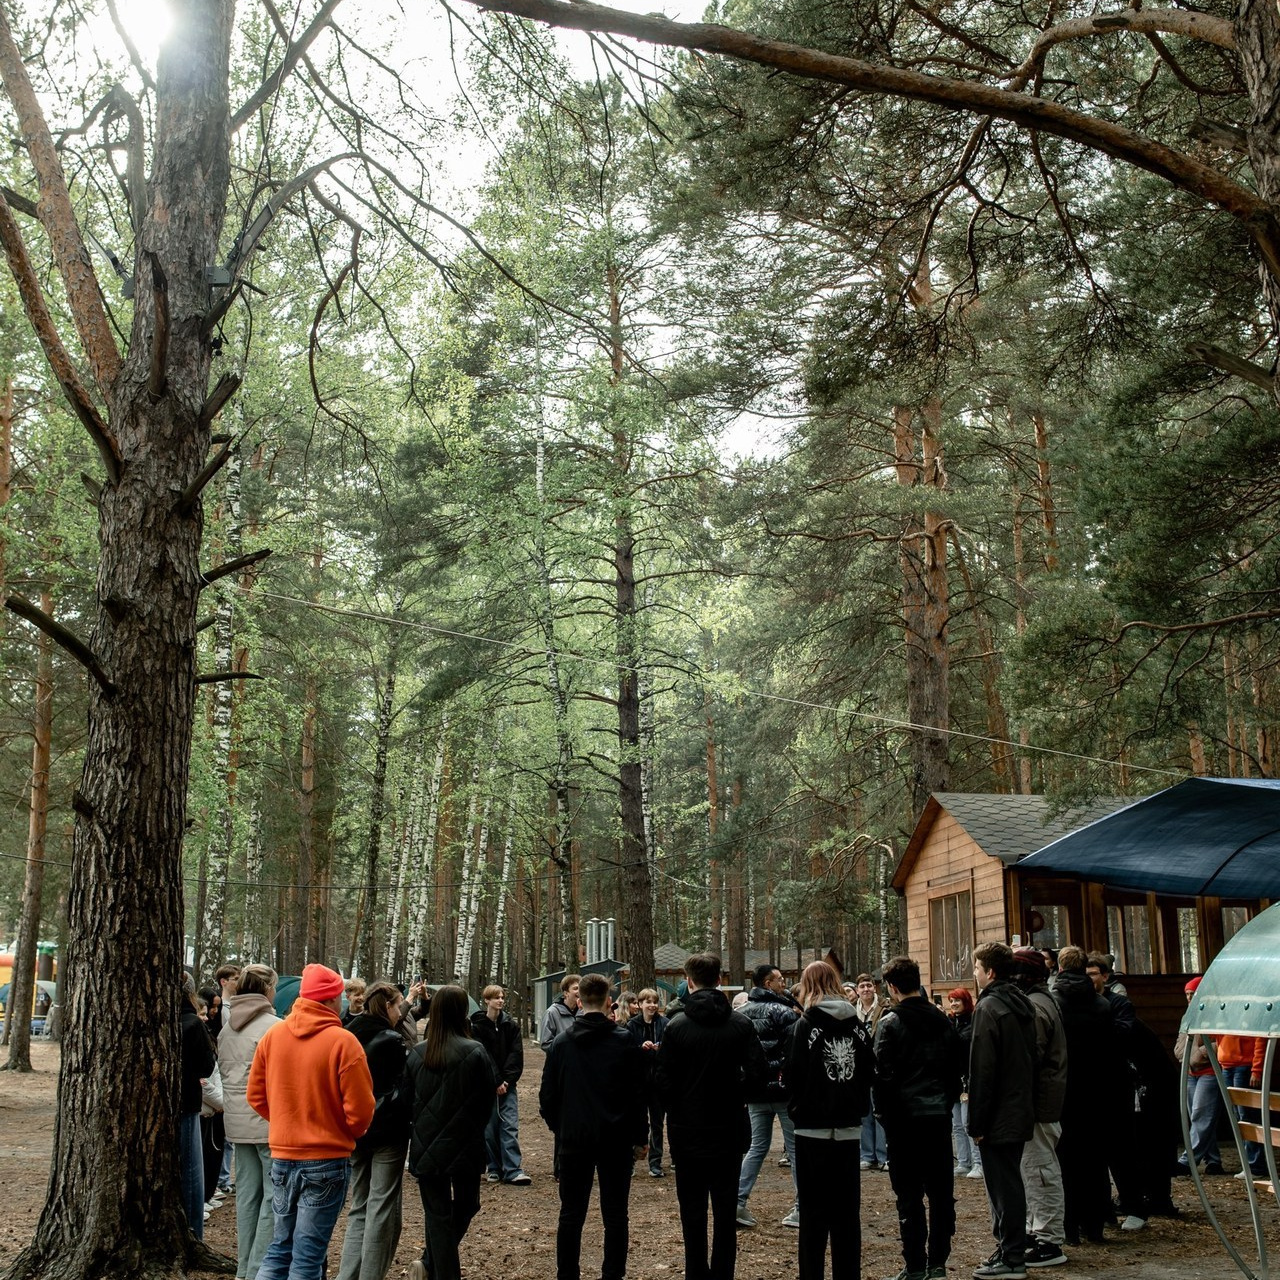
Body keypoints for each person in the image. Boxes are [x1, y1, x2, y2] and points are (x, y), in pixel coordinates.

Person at [248, 963, 376, 1280]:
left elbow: (256, 1096)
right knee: (307, 1257)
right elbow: (361, 1112)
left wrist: (286, 1123)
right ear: (333, 999)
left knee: (280, 1249)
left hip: (282, 1156)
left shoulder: (273, 1036)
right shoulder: (343, 1042)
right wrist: (337, 1130)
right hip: (326, 1158)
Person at [657, 952, 767, 1280]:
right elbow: (759, 1074)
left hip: (687, 1131)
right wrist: (737, 1094)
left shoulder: (676, 1027)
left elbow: (663, 1082)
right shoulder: (740, 1024)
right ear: (719, 980)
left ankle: (696, 1274)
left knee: (692, 1213)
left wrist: (680, 1104)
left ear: (689, 982)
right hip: (728, 1130)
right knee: (723, 1212)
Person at [541, 973, 648, 1280]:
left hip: (575, 1138)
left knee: (571, 1214)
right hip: (614, 1139)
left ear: (579, 1000)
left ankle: (568, 1275)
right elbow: (637, 1094)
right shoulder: (625, 1041)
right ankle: (613, 1274)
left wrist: (561, 1129)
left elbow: (548, 1096)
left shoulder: (562, 1044)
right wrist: (640, 1136)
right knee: (615, 1214)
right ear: (607, 1001)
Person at [874, 955, 962, 1280]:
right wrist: (947, 1102)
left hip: (903, 1123)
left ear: (893, 987)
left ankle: (915, 1265)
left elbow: (881, 1075)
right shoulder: (944, 1021)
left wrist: (884, 1115)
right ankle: (938, 1260)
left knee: (909, 1196)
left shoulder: (890, 1024)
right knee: (941, 1192)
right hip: (937, 1118)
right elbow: (955, 1071)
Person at [787, 960, 872, 1280]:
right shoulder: (857, 1026)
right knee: (847, 1214)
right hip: (848, 1127)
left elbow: (794, 1073)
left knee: (813, 1215)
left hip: (812, 1129)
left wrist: (799, 1110)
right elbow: (868, 1069)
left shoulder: (804, 1026)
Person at [405, 984, 497, 1280]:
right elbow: (487, 1101)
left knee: (445, 1214)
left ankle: (430, 1263)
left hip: (432, 1146)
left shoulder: (419, 1053)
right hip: (464, 1144)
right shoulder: (474, 1051)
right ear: (461, 1012)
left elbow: (406, 1102)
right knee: (456, 1209)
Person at [968, 941, 1036, 1280]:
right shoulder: (1021, 1002)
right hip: (1017, 1105)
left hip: (998, 1112)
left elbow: (983, 1067)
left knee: (1004, 1186)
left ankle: (1012, 1256)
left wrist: (976, 1121)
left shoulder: (990, 1007)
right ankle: (1009, 1249)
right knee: (1008, 1183)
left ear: (990, 971)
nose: (974, 974)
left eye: (977, 968)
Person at [337, 981, 412, 1280]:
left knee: (359, 1207)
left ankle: (347, 1275)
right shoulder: (392, 1040)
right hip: (387, 1133)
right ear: (388, 1006)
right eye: (398, 1006)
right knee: (380, 1209)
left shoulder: (347, 1033)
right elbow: (399, 1089)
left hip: (354, 1130)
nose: (400, 1012)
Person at [1052, 945, 1119, 1245]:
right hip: (1097, 1091)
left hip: (1065, 1091)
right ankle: (1095, 1225)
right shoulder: (1102, 1005)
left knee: (1065, 1161)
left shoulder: (1053, 1003)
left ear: (1060, 968)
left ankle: (1069, 1227)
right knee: (1095, 1161)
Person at [217, 962, 280, 1280]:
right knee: (272, 1198)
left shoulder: (227, 1027)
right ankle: (257, 1269)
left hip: (237, 1124)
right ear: (268, 989)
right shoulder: (274, 1027)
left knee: (247, 1196)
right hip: (268, 1123)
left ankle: (245, 1268)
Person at [1010, 948, 1068, 1269]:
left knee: (1040, 1170)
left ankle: (1049, 1241)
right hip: (1038, 1101)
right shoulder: (1041, 1001)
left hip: (1039, 1103)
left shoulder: (1036, 1006)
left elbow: (1030, 1057)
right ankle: (1037, 1231)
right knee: (1033, 1170)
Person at [736, 963, 801, 1229]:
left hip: (755, 1091)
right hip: (783, 1091)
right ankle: (802, 1207)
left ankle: (737, 1201)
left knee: (756, 1147)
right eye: (780, 979)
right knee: (796, 1149)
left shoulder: (741, 1015)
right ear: (767, 983)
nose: (784, 983)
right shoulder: (785, 1013)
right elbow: (794, 1053)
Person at [470, 983, 532, 1185]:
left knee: (509, 1125)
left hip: (508, 1084)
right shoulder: (476, 1027)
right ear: (487, 1000)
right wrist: (495, 1081)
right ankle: (494, 1167)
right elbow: (483, 1055)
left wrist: (506, 1080)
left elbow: (516, 1055)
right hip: (486, 1086)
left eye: (502, 997)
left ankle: (513, 1168)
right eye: (496, 997)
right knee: (489, 1128)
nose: (500, 1000)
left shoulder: (511, 1026)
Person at [1174, 975, 1224, 1176]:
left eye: (1193, 993)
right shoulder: (1187, 1016)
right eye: (1187, 994)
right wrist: (1182, 1054)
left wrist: (1200, 1054)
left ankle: (1187, 1161)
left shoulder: (1217, 1015)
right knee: (1199, 1118)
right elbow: (1181, 1040)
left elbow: (1221, 1042)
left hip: (1209, 1071)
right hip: (1190, 1071)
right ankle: (1213, 1160)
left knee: (1201, 1116)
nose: (1189, 997)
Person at [180, 972, 216, 1241]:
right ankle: (194, 1235)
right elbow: (206, 1065)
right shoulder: (192, 1023)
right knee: (191, 1171)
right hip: (186, 1102)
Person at [627, 988, 670, 1177]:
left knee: (658, 1123)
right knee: (636, 1123)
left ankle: (656, 1162)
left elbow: (671, 1052)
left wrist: (660, 1048)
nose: (652, 1005)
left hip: (659, 1083)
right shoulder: (631, 1026)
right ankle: (631, 1161)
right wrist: (640, 1047)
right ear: (640, 1004)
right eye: (648, 1001)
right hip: (637, 1083)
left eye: (655, 1001)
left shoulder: (665, 1024)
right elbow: (626, 1051)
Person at [852, 974, 888, 1172]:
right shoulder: (850, 1010)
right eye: (862, 986)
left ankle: (883, 1155)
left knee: (879, 1111)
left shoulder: (885, 1008)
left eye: (869, 985)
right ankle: (867, 1155)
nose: (866, 989)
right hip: (858, 1068)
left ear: (875, 988)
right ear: (857, 990)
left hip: (879, 1066)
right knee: (864, 1113)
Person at [946, 989, 982, 1180]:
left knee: (968, 1123)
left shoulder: (974, 1022)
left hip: (968, 1080)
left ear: (965, 1001)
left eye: (957, 1000)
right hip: (953, 1081)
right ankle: (963, 1161)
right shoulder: (950, 1023)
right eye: (951, 1000)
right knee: (957, 1125)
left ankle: (978, 1162)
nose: (953, 1004)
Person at [540, 974, 582, 1050]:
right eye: (575, 988)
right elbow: (545, 1043)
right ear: (566, 993)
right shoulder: (551, 1013)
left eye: (581, 988)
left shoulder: (584, 1012)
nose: (579, 991)